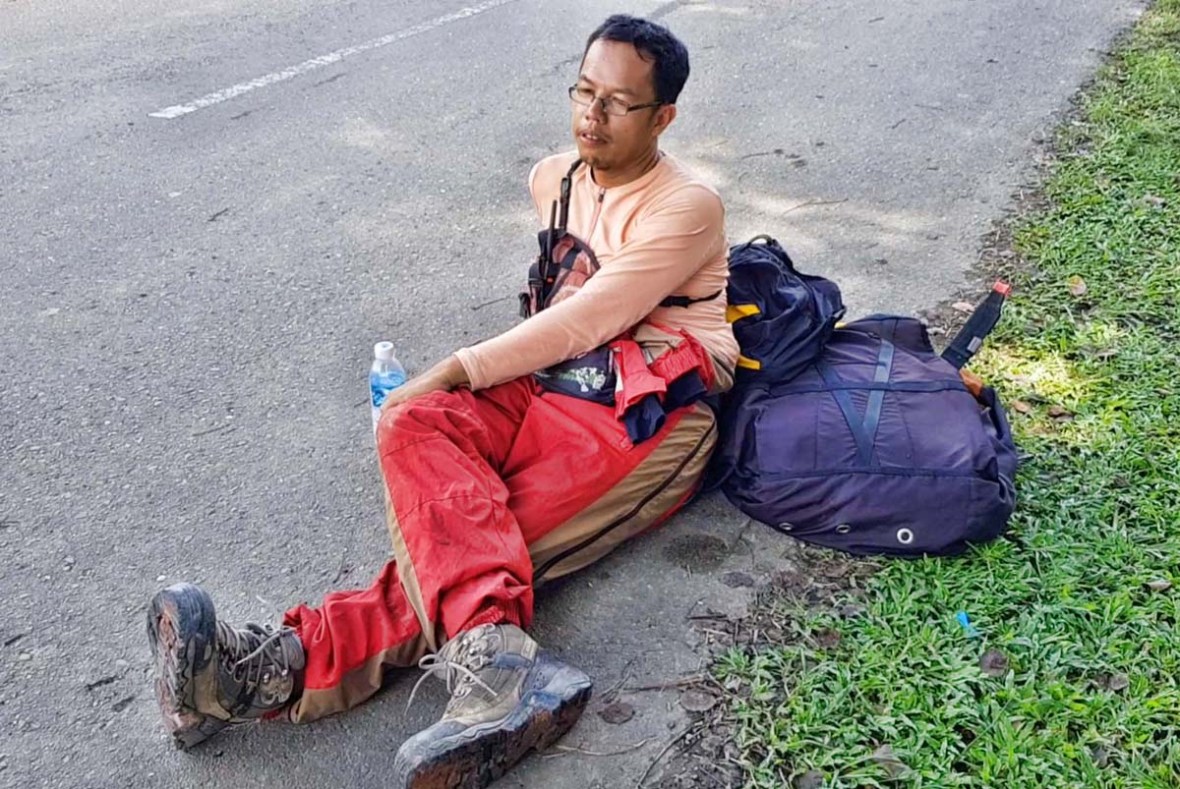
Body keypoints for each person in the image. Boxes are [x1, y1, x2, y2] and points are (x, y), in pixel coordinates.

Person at [147, 14, 738, 788]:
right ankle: (498, 670)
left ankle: (273, 667)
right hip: (559, 373)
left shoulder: (687, 207)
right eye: (583, 91)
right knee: (417, 429)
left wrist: (456, 366)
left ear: (663, 117)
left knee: (478, 541)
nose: (591, 115)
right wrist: (443, 389)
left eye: (618, 103)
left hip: (650, 407)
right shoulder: (554, 176)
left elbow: (596, 313)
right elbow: (558, 323)